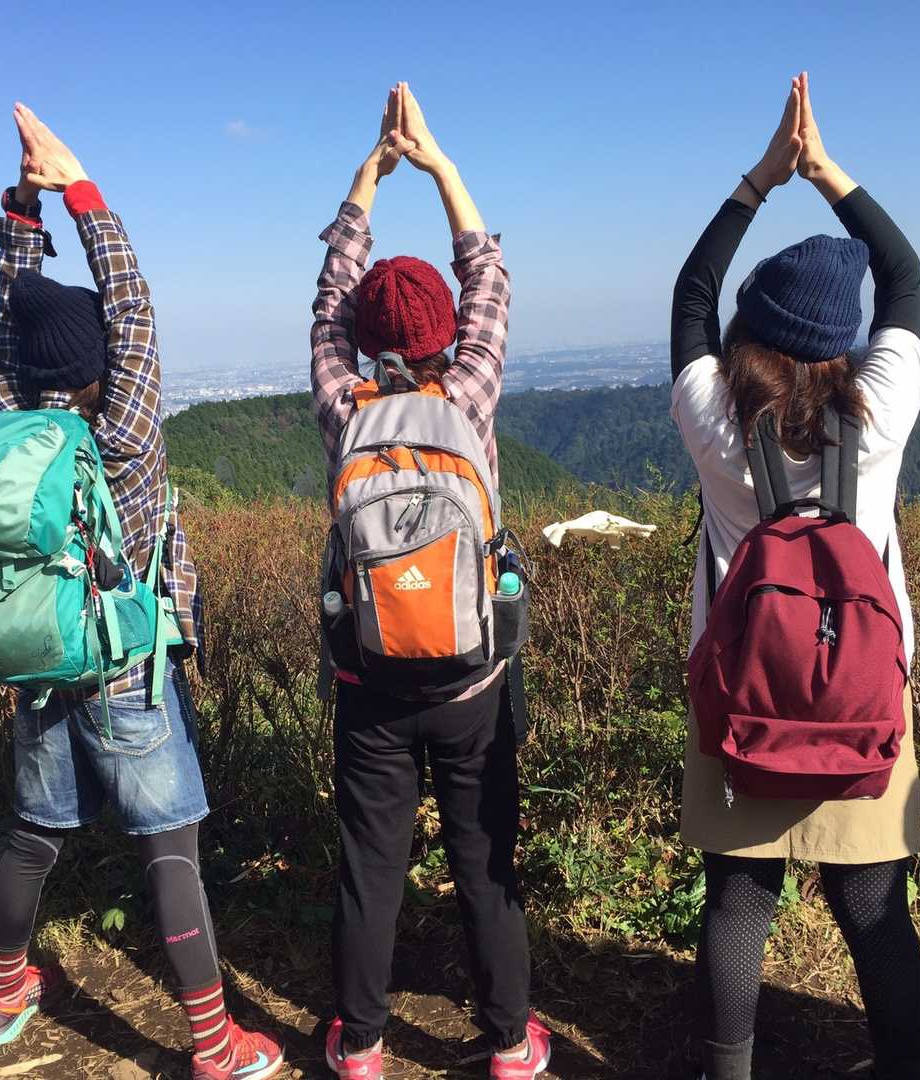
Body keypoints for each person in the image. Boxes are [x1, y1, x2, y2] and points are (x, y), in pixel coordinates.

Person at [0, 103, 283, 1080]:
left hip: (36, 656)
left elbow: (13, 326)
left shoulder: (7, 427)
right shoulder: (125, 434)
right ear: (103, 361)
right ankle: (213, 1046)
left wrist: (22, 219)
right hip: (123, 666)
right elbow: (133, 303)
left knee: (33, 835)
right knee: (169, 848)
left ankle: (2, 993)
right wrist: (78, 190)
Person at [670, 73, 920, 1080]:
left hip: (742, 695)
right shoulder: (882, 408)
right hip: (862, 696)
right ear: (840, 340)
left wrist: (759, 180)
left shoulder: (712, 415)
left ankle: (728, 1069)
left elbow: (691, 294)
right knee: (873, 909)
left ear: (751, 330)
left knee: (738, 901)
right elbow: (902, 275)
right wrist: (824, 172)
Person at [310, 83, 550, 1080]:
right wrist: (439, 165)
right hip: (473, 679)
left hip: (369, 679)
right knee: (485, 863)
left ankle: (361, 1046)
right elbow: (489, 276)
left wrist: (366, 178)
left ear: (364, 336)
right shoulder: (469, 394)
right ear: (448, 327)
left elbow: (328, 298)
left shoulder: (344, 403)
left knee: (370, 869)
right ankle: (509, 1042)